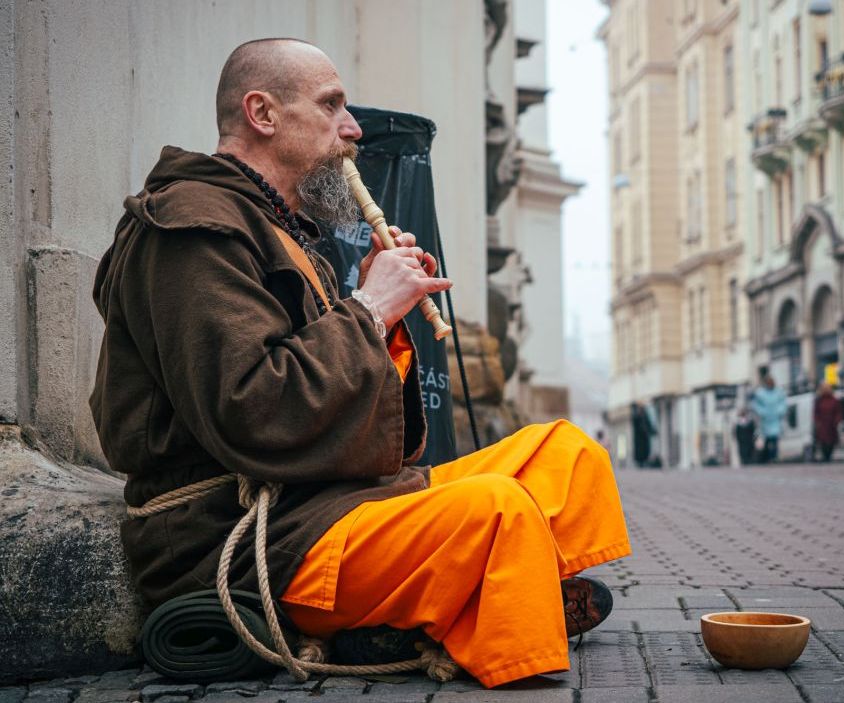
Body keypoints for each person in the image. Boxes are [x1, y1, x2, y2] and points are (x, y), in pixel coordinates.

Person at [89, 39, 630, 689]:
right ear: (262, 113)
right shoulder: (191, 229)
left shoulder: (285, 233)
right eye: (332, 105)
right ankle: (463, 605)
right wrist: (369, 308)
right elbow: (254, 411)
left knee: (565, 455)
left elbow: (338, 406)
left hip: (329, 501)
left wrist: (384, 315)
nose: (353, 128)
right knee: (499, 508)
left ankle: (451, 600)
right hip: (246, 537)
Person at [751, 374, 787, 463]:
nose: (770, 384)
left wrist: (780, 411)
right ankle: (767, 457)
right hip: (766, 420)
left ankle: (774, 457)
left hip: (775, 420)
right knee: (767, 440)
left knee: (775, 439)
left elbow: (783, 403)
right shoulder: (760, 393)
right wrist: (762, 412)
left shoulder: (779, 392)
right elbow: (755, 404)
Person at [812, 383, 842, 462]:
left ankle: (829, 456)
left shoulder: (834, 400)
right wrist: (817, 422)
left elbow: (838, 412)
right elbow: (816, 412)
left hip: (831, 425)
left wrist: (836, 421)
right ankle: (825, 456)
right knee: (823, 442)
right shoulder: (819, 400)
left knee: (831, 442)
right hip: (822, 425)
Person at [630, 401, 656, 468]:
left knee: (645, 450)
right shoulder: (636, 416)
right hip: (639, 437)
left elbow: (648, 424)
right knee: (640, 450)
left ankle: (644, 461)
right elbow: (635, 424)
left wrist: (650, 431)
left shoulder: (644, 415)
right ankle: (640, 462)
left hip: (644, 437)